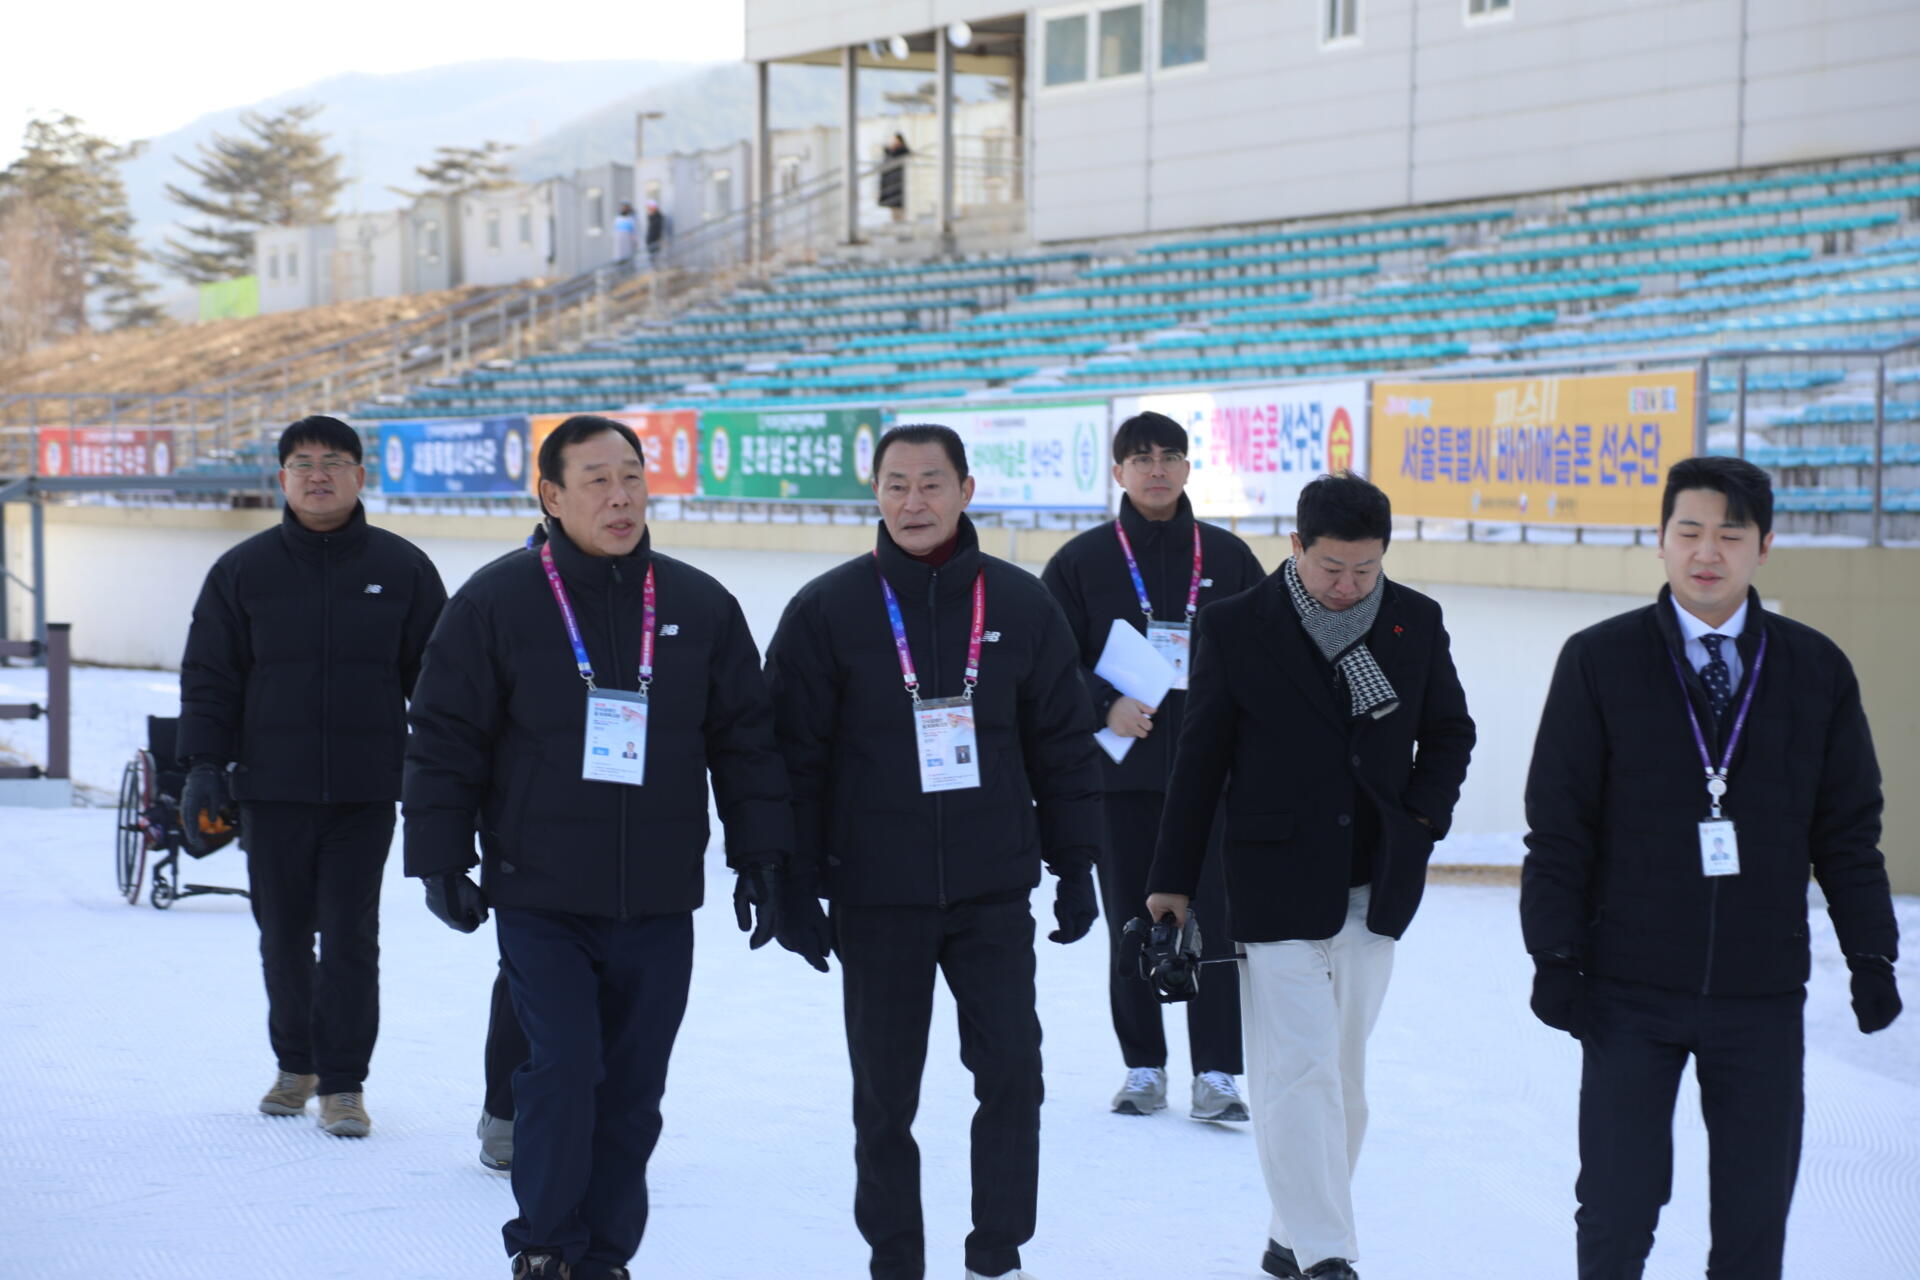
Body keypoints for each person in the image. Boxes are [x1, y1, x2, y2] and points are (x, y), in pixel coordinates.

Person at [402, 414, 821, 1280]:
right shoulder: (497, 601)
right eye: (596, 480)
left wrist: (762, 856)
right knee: (563, 1066)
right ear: (551, 497)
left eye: (631, 477)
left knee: (634, 1087)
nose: (620, 496)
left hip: (659, 894)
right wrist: (440, 857)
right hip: (541, 890)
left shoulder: (700, 603)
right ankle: (547, 1245)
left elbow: (745, 742)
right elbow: (444, 736)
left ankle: (604, 1255)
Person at [1521, 455, 1901, 1280]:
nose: (1707, 552)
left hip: (1760, 997)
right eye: (1689, 530)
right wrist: (1553, 954)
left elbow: (1847, 833)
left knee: (1754, 1223)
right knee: (1617, 1211)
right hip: (1628, 991)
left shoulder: (1815, 669)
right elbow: (1558, 828)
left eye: (1730, 535)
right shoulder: (1599, 659)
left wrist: (1872, 953)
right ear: (1660, 539)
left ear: (1764, 546)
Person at [765, 424, 1104, 1280]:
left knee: (1014, 1076)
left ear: (965, 489)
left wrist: (1076, 864)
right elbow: (791, 759)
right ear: (875, 493)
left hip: (993, 891)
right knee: (885, 1097)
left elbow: (1063, 746)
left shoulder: (1021, 605)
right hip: (877, 894)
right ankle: (896, 1259)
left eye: (930, 483)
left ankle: (998, 1251)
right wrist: (791, 881)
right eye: (895, 484)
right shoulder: (828, 609)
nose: (912, 502)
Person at [1146, 471, 1474, 1280]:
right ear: (1296, 546)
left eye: (1366, 568)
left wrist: (1420, 823)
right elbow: (1200, 760)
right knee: (1298, 1072)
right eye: (1332, 567)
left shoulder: (1414, 620)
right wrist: (1170, 882)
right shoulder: (1236, 625)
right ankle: (1330, 1255)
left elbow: (1449, 733)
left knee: (1343, 1080)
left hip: (1377, 882)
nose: (1349, 585)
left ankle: (1289, 1238)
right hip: (1273, 880)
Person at [178, 414, 447, 1138]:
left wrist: (448, 770)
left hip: (365, 789)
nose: (318, 475)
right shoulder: (243, 571)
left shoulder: (403, 568)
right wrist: (203, 765)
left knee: (352, 937)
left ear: (360, 476)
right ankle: (295, 1065)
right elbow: (210, 676)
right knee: (283, 936)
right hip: (271, 789)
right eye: (302, 463)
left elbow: (440, 683)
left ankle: (345, 1085)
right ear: (282, 478)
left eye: (333, 461)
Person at [1039, 411, 1265, 1121]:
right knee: (1133, 922)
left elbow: (1268, 656)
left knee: (1217, 925)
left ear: (1189, 467)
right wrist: (1102, 704)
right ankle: (1143, 1066)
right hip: (1122, 780)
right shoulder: (1081, 561)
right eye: (1141, 458)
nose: (1157, 469)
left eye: (1170, 456)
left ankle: (1218, 1073)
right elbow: (1049, 663)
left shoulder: (1229, 557)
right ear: (1119, 472)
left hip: (1214, 782)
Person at [879, 133, 910, 222]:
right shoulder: (890, 150)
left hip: (898, 180)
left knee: (898, 202)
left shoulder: (902, 150)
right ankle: (895, 219)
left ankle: (899, 219)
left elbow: (906, 153)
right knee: (892, 202)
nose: (894, 142)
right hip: (890, 180)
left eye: (896, 140)